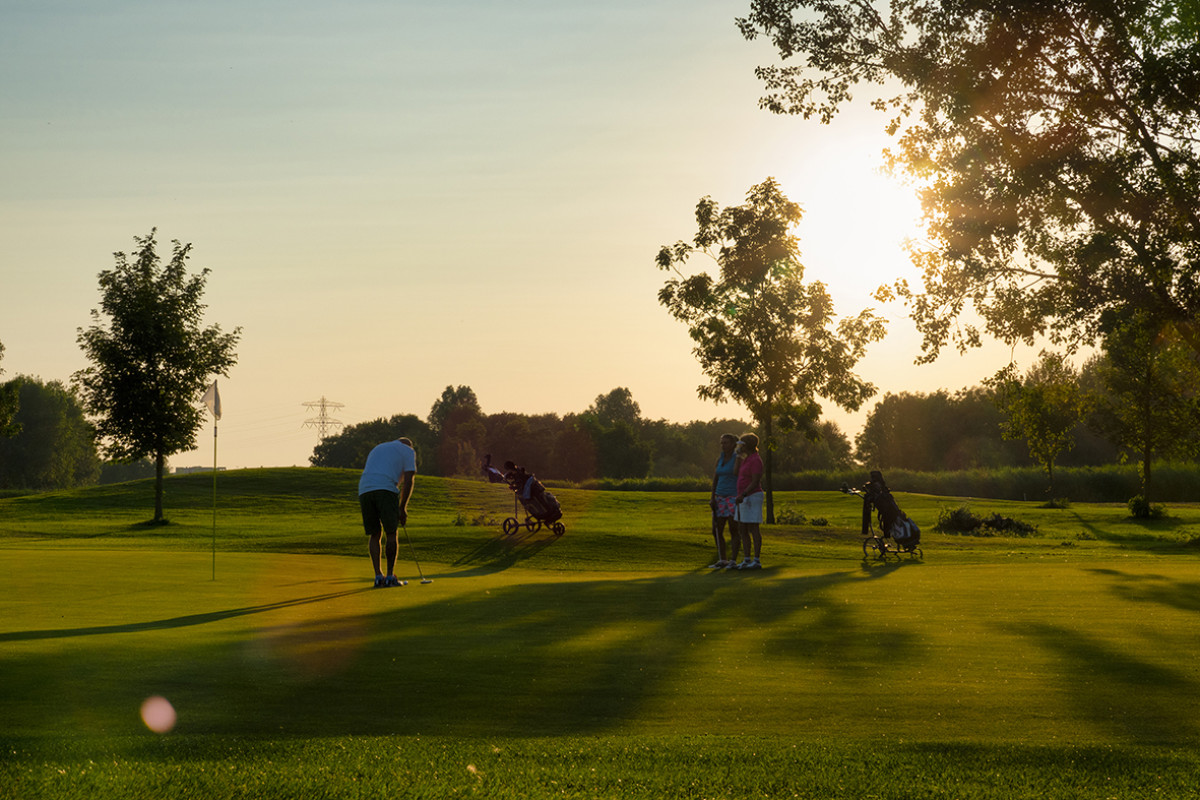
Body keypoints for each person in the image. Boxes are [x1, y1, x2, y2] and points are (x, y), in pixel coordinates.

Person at [358, 436, 417, 588]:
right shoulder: (408, 450)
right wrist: (402, 507)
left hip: (364, 489)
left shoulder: (379, 447)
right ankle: (390, 577)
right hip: (385, 489)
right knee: (391, 532)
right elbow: (409, 480)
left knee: (375, 534)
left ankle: (378, 577)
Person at [731, 433, 764, 570]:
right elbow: (735, 473)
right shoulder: (746, 459)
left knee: (753, 527)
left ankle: (756, 560)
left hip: (752, 496)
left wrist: (744, 494)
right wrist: (738, 457)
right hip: (743, 496)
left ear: (748, 445)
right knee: (742, 527)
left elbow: (755, 481)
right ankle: (746, 559)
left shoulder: (756, 460)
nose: (740, 447)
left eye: (742, 445)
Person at [708, 433, 740, 568]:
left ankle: (733, 560)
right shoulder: (719, 459)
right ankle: (723, 559)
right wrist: (712, 497)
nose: (723, 445)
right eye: (721, 443)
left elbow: (741, 477)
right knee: (716, 530)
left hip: (733, 497)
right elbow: (715, 479)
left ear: (733, 444)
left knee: (733, 529)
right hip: (720, 497)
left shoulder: (737, 458)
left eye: (726, 443)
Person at [860, 469, 902, 541]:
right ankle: (888, 534)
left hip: (886, 508)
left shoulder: (876, 485)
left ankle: (888, 534)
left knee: (888, 519)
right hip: (887, 508)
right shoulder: (880, 485)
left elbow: (869, 487)